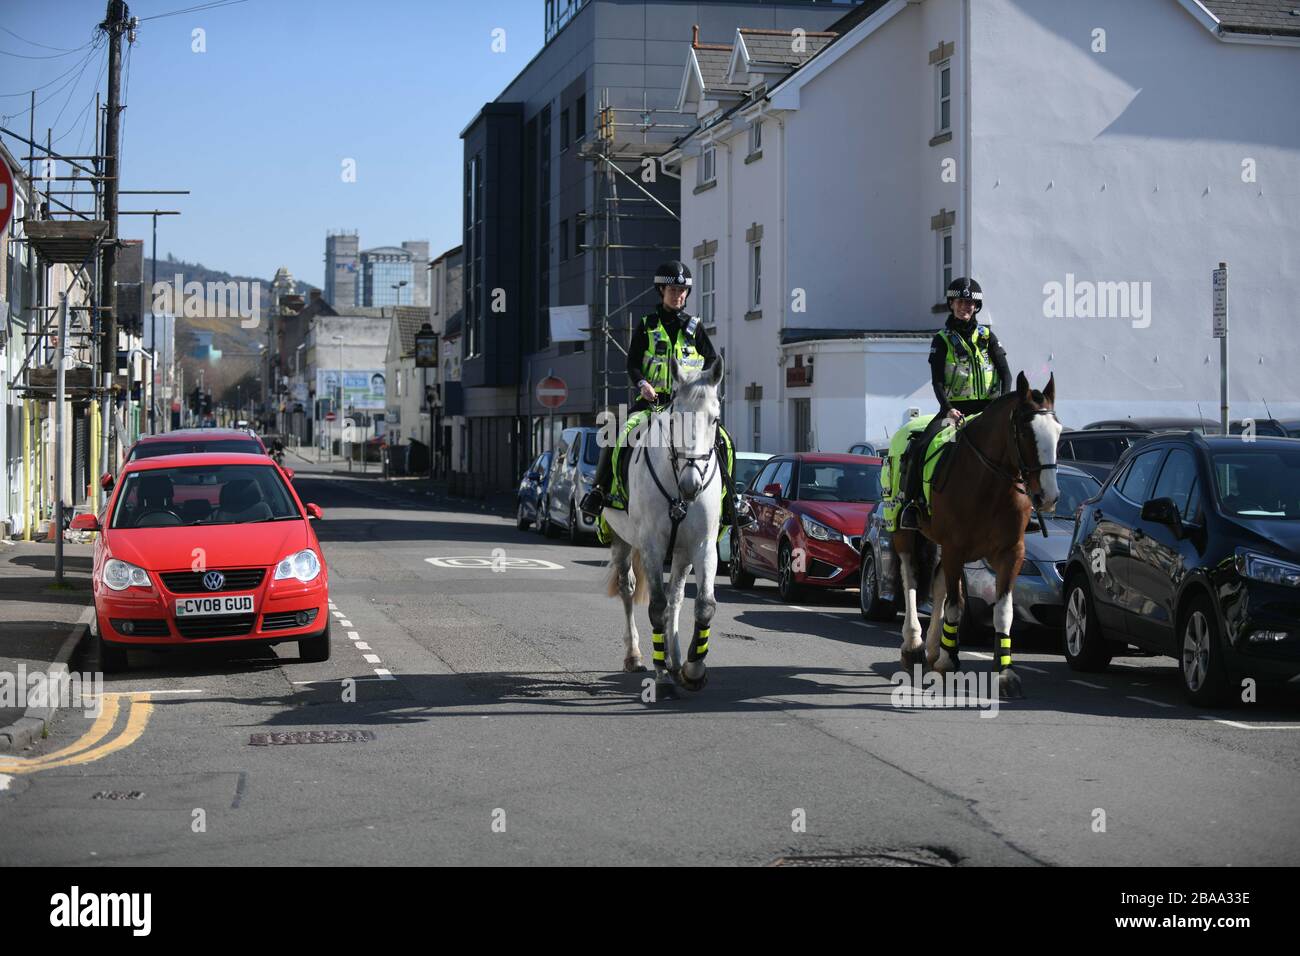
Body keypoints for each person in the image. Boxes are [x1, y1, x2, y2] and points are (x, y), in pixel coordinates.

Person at [580, 260, 755, 531]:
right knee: (615, 432)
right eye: (673, 290)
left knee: (725, 442)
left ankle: (730, 501)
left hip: (687, 408)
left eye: (683, 291)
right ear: (661, 291)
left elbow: (711, 361)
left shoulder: (695, 328)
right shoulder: (647, 325)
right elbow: (633, 363)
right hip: (652, 402)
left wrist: (703, 387)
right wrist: (642, 384)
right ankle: (600, 491)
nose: (679, 295)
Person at [896, 277, 1012, 529]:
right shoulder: (942, 339)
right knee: (921, 448)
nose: (965, 307)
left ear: (976, 307)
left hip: (987, 410)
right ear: (951, 304)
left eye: (970, 303)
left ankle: (1026, 507)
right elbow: (937, 382)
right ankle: (912, 505)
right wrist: (948, 408)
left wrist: (1001, 407)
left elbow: (1005, 373)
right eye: (960, 302)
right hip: (954, 412)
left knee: (1018, 447)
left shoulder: (988, 336)